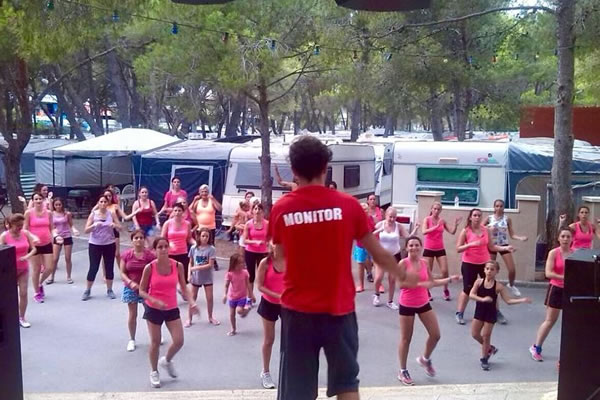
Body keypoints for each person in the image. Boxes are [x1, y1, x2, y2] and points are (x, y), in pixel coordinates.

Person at [269, 136, 417, 400]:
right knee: (346, 384)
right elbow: (377, 252)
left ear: (293, 170)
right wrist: (402, 274)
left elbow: (279, 261)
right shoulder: (348, 205)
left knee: (297, 391)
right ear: (325, 168)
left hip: (297, 311)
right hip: (339, 310)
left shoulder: (281, 209)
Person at [397, 236, 460, 386]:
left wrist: (449, 279)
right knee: (406, 339)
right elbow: (400, 284)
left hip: (423, 302)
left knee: (435, 335)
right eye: (411, 245)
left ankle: (424, 359)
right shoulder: (403, 263)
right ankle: (402, 370)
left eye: (416, 245)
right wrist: (418, 283)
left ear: (421, 247)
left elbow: (431, 282)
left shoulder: (424, 263)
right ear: (406, 248)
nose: (414, 247)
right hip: (407, 304)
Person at [138, 236, 199, 388]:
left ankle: (166, 360)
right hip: (154, 309)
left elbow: (184, 288)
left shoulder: (178, 265)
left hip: (171, 308)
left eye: (166, 246)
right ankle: (154, 371)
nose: (164, 249)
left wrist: (192, 302)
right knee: (155, 342)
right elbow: (141, 291)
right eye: (160, 247)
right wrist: (154, 300)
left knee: (179, 341)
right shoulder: (150, 268)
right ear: (154, 250)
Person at [455, 208, 513, 325]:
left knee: (491, 288)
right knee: (467, 289)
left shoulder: (486, 230)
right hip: (469, 263)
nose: (477, 217)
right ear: (470, 217)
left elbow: (492, 247)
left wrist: (505, 248)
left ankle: (496, 312)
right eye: (475, 215)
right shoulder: (465, 231)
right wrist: (470, 244)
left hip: (484, 264)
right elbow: (458, 248)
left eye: (479, 215)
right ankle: (460, 313)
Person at [470, 260, 532, 370]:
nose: (489, 271)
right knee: (475, 334)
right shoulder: (479, 282)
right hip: (479, 311)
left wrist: (522, 300)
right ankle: (490, 348)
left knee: (486, 336)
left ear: (497, 272)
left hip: (490, 313)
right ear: (484, 270)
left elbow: (508, 300)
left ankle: (484, 358)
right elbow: (471, 295)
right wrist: (482, 299)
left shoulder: (498, 286)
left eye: (492, 269)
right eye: (487, 269)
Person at [529, 228, 573, 362]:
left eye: (568, 237)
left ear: (572, 239)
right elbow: (548, 273)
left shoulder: (574, 254)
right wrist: (565, 277)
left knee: (571, 322)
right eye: (563, 236)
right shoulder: (553, 253)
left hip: (570, 290)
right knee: (550, 320)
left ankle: (571, 353)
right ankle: (536, 347)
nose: (565, 239)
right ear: (558, 238)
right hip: (556, 289)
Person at [372, 207, 418, 309]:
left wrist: (415, 229)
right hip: (382, 255)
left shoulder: (398, 226)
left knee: (392, 280)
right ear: (385, 216)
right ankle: (376, 294)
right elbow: (370, 235)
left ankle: (390, 301)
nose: (392, 219)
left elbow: (408, 237)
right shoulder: (380, 224)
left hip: (394, 255)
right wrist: (378, 230)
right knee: (378, 277)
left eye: (394, 217)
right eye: (390, 217)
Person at [119, 229, 156, 352]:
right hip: (131, 288)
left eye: (141, 238)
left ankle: (155, 337)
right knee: (132, 314)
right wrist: (130, 282)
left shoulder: (150, 255)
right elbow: (122, 273)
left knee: (150, 313)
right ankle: (132, 339)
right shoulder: (126, 255)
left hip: (146, 288)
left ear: (144, 240)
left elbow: (155, 271)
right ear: (132, 241)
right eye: (136, 238)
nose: (139, 240)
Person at [485, 199, 528, 297]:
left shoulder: (507, 219)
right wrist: (489, 228)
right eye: (497, 206)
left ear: (504, 207)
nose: (499, 208)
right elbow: (480, 229)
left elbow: (512, 234)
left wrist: (520, 238)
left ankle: (511, 285)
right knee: (490, 269)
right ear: (494, 207)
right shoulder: (489, 218)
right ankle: (488, 287)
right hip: (492, 245)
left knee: (512, 269)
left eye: (501, 206)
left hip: (504, 245)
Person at [0, 214, 37, 328]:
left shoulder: (25, 233)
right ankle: (8, 317)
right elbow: (1, 253)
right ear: (10, 225)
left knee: (23, 293)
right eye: (17, 226)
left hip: (23, 268)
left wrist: (27, 256)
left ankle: (22, 317)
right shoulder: (4, 236)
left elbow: (34, 249)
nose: (20, 228)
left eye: (21, 225)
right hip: (10, 270)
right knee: (9, 295)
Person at [82, 195, 121, 301]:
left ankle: (109, 289)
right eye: (101, 202)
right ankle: (88, 290)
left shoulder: (111, 214)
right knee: (93, 267)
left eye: (105, 202)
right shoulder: (93, 214)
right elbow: (85, 230)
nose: (103, 204)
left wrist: (114, 225)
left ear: (107, 203)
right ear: (98, 203)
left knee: (109, 267)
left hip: (109, 244)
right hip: (95, 244)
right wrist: (94, 225)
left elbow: (120, 227)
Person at [256, 246, 284, 389]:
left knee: (290, 339)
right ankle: (265, 372)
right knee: (269, 339)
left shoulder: (291, 260)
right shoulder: (265, 263)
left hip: (287, 305)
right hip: (269, 303)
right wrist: (278, 296)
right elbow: (260, 286)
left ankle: (290, 372)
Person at [422, 202, 461, 301]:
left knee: (444, 271)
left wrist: (455, 224)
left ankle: (445, 289)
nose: (436, 211)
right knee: (428, 271)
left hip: (440, 248)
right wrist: (436, 227)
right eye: (434, 209)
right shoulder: (427, 219)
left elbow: (452, 232)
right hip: (429, 248)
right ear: (431, 209)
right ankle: (427, 290)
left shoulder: (442, 221)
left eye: (438, 209)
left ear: (440, 211)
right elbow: (424, 231)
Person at [24, 192, 55, 303]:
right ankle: (37, 292)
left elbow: (52, 228)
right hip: (34, 245)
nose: (38, 201)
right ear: (32, 201)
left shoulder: (49, 213)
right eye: (36, 199)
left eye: (40, 199)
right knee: (36, 269)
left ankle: (39, 283)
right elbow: (25, 229)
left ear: (43, 200)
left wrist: (56, 236)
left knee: (50, 268)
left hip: (46, 242)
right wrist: (32, 237)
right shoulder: (28, 213)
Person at [187, 228, 219, 326]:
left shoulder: (211, 249)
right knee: (193, 298)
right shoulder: (194, 248)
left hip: (207, 277)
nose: (205, 238)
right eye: (203, 236)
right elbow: (190, 262)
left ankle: (210, 317)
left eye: (207, 236)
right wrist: (189, 274)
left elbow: (210, 265)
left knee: (209, 298)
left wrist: (196, 268)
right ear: (199, 237)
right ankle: (189, 318)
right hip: (196, 277)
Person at [48, 197, 79, 284]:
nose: (58, 206)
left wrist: (74, 230)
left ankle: (69, 276)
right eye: (56, 205)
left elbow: (71, 225)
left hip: (67, 236)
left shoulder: (67, 214)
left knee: (68, 258)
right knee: (55, 259)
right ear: (54, 205)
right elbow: (51, 227)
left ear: (62, 205)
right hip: (57, 237)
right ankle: (52, 276)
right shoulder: (52, 214)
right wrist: (55, 234)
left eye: (59, 204)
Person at [243, 202, 269, 304]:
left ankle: (265, 298)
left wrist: (269, 245)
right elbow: (244, 240)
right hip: (250, 251)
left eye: (259, 209)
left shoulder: (267, 224)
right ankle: (249, 298)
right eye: (255, 209)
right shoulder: (248, 224)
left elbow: (271, 237)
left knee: (263, 275)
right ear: (252, 211)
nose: (257, 211)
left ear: (263, 212)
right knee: (251, 275)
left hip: (263, 252)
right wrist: (255, 242)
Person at [161, 202, 193, 284]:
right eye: (175, 210)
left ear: (183, 212)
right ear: (172, 212)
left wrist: (196, 243)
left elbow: (189, 238)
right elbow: (162, 239)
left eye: (179, 210)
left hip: (183, 253)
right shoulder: (167, 223)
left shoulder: (187, 224)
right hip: (170, 254)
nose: (177, 212)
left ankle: (183, 291)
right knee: (170, 279)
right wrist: (169, 244)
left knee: (183, 280)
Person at [223, 253, 250, 336]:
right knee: (232, 314)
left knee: (239, 311)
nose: (242, 264)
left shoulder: (245, 273)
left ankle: (247, 308)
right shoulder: (230, 274)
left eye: (243, 262)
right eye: (240, 263)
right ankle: (233, 329)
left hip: (242, 296)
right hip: (232, 297)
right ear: (234, 264)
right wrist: (225, 295)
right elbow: (226, 285)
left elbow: (248, 284)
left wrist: (251, 294)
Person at [354, 203, 375, 293]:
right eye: (362, 209)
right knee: (360, 264)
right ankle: (361, 285)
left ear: (368, 210)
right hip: (360, 245)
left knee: (374, 263)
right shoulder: (356, 219)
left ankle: (377, 283)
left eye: (365, 209)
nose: (364, 211)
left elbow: (373, 229)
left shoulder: (370, 218)